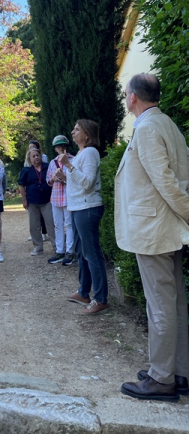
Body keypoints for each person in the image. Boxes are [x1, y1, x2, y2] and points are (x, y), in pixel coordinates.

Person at [115, 74, 189, 402]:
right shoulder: (167, 124)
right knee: (174, 303)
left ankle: (161, 379)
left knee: (160, 304)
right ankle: (179, 372)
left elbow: (166, 182)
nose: (125, 98)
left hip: (154, 231)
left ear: (133, 97)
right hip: (167, 228)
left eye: (125, 93)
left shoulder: (147, 128)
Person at [57, 119, 108, 315]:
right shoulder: (81, 154)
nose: (72, 132)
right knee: (81, 251)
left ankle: (101, 299)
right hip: (78, 208)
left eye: (77, 129)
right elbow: (79, 182)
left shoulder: (90, 153)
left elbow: (88, 183)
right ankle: (83, 292)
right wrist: (64, 177)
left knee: (91, 253)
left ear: (87, 135)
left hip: (88, 208)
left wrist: (68, 165)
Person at [19, 148, 55, 257]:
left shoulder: (47, 167)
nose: (36, 158)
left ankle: (56, 246)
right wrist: (24, 200)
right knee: (34, 225)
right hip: (32, 201)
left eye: (37, 155)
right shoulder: (26, 170)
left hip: (47, 200)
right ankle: (38, 246)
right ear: (29, 159)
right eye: (33, 156)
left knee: (51, 224)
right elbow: (21, 185)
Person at [46, 135, 75, 265]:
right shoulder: (53, 162)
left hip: (68, 197)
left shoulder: (73, 160)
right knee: (57, 225)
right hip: (56, 196)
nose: (61, 148)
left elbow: (75, 179)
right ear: (55, 148)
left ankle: (70, 251)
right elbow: (48, 181)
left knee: (69, 224)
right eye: (58, 146)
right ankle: (59, 251)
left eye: (63, 145)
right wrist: (53, 178)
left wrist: (63, 177)